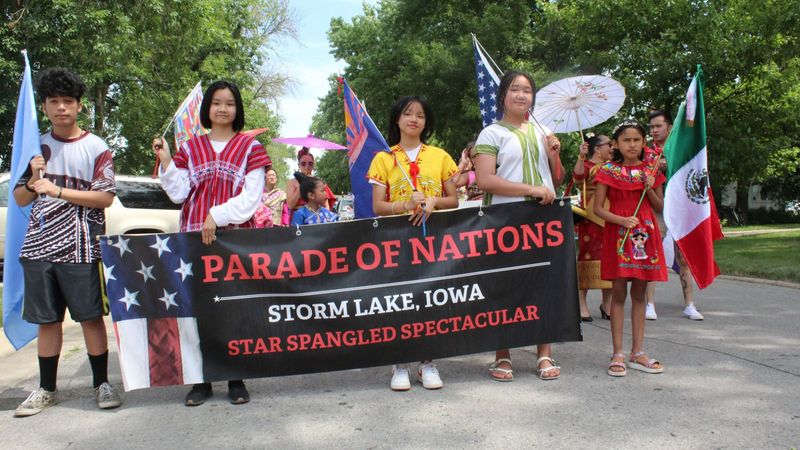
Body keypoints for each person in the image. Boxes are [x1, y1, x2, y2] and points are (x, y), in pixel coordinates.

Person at [153, 80, 271, 406]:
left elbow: (250, 199)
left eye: (229, 103)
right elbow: (179, 193)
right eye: (217, 102)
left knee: (234, 308)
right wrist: (165, 161)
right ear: (208, 109)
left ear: (237, 109)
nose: (222, 108)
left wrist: (216, 215)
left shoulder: (251, 149)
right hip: (194, 238)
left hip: (233, 239)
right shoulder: (190, 148)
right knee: (197, 310)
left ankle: (236, 377)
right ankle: (201, 381)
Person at [13, 68, 122, 417]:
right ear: (44, 106)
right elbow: (19, 199)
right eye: (54, 101)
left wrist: (57, 190)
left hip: (81, 247)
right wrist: (32, 180)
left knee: (90, 317)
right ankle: (46, 389)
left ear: (79, 106)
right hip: (38, 247)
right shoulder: (35, 147)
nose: (62, 108)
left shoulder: (96, 147)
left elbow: (105, 197)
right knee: (47, 321)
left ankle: (101, 383)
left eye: (68, 102)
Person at [472, 70, 565, 382]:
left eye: (527, 90)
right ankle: (502, 354)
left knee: (542, 284)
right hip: (504, 220)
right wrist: (530, 189)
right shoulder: (491, 134)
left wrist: (555, 157)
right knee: (505, 286)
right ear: (503, 96)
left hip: (542, 218)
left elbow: (557, 180)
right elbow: (485, 180)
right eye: (515, 89)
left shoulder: (544, 131)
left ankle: (544, 353)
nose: (522, 95)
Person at [367, 95, 459, 390]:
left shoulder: (441, 156)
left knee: (432, 299)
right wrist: (405, 204)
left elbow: (454, 200)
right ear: (397, 119)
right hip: (397, 243)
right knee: (401, 300)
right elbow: (378, 207)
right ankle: (400, 364)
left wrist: (433, 201)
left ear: (426, 122)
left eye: (420, 115)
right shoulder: (384, 158)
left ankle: (428, 362)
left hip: (435, 241)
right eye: (408, 114)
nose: (414, 119)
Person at [593, 120, 667, 377]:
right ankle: (618, 352)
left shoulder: (652, 170)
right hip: (618, 234)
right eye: (626, 140)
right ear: (615, 144)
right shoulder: (608, 171)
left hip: (645, 234)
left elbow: (660, 207)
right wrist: (621, 220)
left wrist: (649, 188)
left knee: (639, 293)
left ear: (644, 142)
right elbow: (598, 208)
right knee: (618, 293)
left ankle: (638, 351)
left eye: (637, 139)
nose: (632, 144)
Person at [644, 110, 703, 320]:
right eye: (651, 127)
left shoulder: (680, 149)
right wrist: (654, 169)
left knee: (683, 257)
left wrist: (671, 165)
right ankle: (649, 304)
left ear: (669, 127)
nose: (654, 131)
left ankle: (689, 304)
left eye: (658, 126)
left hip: (679, 206)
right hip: (657, 207)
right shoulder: (646, 152)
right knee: (653, 254)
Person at [571, 133, 614, 321]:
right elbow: (578, 177)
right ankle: (581, 303)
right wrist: (581, 156)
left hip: (612, 215)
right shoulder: (588, 165)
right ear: (597, 148)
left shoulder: (614, 167)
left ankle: (607, 304)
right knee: (587, 255)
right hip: (590, 217)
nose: (612, 148)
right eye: (608, 144)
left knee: (610, 257)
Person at [286, 147, 336, 222]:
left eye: (310, 163)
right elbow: (290, 205)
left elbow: (325, 205)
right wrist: (302, 185)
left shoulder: (318, 182)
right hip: (299, 219)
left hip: (318, 218)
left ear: (313, 165)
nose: (307, 166)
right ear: (298, 165)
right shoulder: (292, 182)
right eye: (303, 163)